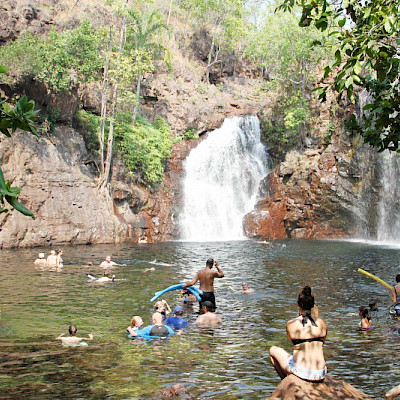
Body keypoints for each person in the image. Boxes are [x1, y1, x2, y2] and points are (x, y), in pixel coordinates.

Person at [269, 286, 327, 382]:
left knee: (273, 350)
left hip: (302, 371)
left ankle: (286, 382)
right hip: (320, 373)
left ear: (298, 306)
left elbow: (293, 341)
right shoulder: (322, 323)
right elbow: (321, 343)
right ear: (313, 306)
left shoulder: (291, 324)